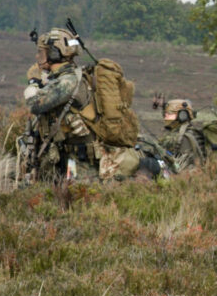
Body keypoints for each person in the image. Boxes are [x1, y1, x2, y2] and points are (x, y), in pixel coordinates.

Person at [20, 28, 150, 183]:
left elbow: (34, 104)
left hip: (78, 162)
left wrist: (33, 81)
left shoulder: (67, 82)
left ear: (54, 53)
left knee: (76, 195)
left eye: (41, 53)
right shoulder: (72, 77)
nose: (37, 57)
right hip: (73, 159)